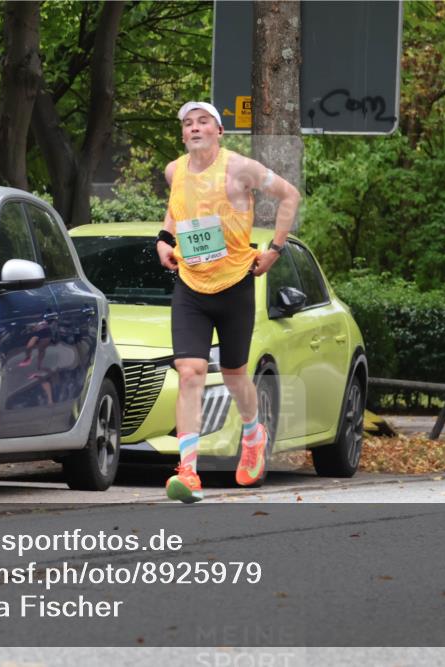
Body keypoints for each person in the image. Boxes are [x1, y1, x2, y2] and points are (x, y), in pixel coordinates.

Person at [156, 101, 301, 502]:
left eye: (204, 121)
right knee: (190, 371)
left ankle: (253, 434)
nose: (195, 128)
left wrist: (274, 249)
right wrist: (164, 240)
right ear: (183, 135)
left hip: (236, 283)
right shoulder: (174, 171)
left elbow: (290, 196)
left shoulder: (241, 169)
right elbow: (177, 209)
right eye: (188, 124)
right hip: (190, 285)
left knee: (236, 374)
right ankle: (188, 472)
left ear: (219, 131)